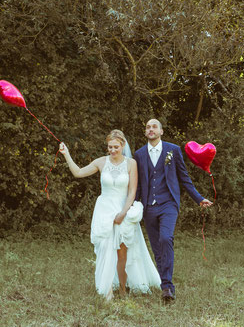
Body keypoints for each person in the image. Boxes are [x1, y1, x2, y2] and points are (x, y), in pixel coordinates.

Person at [59, 130, 161, 300]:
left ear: (123, 146)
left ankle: (122, 290)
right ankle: (106, 290)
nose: (112, 150)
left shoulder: (131, 164)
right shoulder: (101, 162)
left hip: (123, 209)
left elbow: (132, 192)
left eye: (116, 147)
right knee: (106, 249)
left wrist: (123, 213)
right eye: (109, 147)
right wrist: (66, 154)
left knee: (122, 252)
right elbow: (77, 172)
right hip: (105, 210)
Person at [134, 119, 213, 303]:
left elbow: (184, 178)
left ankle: (168, 286)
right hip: (148, 206)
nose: (150, 129)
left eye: (154, 126)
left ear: (161, 131)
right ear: (146, 132)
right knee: (156, 248)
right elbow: (138, 184)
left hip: (168, 203)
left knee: (165, 238)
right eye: (148, 127)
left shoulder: (173, 150)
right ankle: (165, 286)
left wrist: (199, 198)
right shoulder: (139, 154)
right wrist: (133, 205)